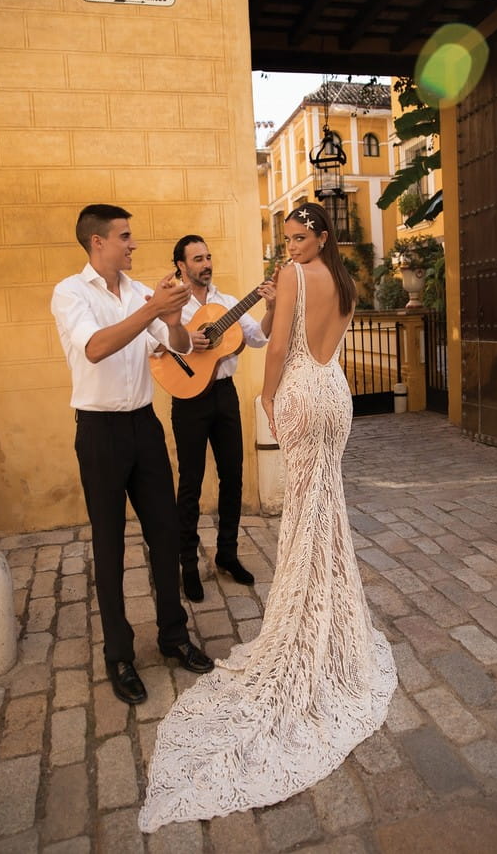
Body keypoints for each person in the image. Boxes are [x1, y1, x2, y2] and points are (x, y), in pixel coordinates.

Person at [138, 202, 396, 830]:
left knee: (309, 512)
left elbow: (277, 346)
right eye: (285, 238)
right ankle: (329, 614)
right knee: (324, 509)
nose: (291, 246)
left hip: (305, 392)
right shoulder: (349, 279)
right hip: (338, 393)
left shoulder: (300, 277)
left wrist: (266, 393)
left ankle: (309, 626)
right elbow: (323, 340)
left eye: (299, 237)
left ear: (321, 236)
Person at [51, 205, 214, 707]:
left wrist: (170, 318)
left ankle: (173, 635)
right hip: (99, 432)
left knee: (164, 534)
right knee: (109, 544)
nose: (132, 245)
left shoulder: (143, 290)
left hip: (145, 426)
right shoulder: (70, 293)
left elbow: (181, 344)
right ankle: (118, 653)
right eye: (125, 237)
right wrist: (149, 312)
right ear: (98, 242)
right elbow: (95, 348)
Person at [170, 234, 277, 602]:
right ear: (182, 265)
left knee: (233, 475)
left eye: (208, 256)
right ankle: (186, 562)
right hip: (188, 398)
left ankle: (227, 554)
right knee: (191, 481)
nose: (206, 263)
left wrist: (272, 307)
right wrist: (185, 338)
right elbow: (153, 343)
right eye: (197, 258)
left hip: (224, 395)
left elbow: (259, 338)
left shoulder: (228, 302)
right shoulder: (174, 303)